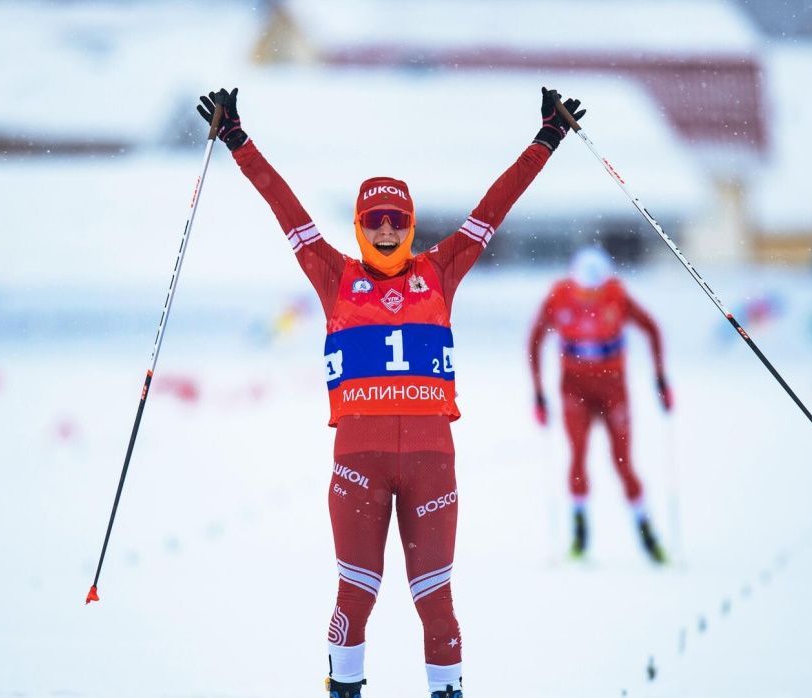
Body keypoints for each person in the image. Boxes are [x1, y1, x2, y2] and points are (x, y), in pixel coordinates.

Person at [198, 86, 586, 698]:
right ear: (358, 225)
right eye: (373, 221)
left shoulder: (441, 269)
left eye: (396, 221)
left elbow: (497, 204)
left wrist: (547, 139)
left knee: (437, 604)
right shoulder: (333, 275)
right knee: (355, 595)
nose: (384, 232)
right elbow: (285, 206)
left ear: (409, 224)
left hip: (433, 464)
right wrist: (238, 141)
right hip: (358, 465)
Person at [527, 246, 671, 563]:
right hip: (574, 389)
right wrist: (538, 393)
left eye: (595, 291)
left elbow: (652, 329)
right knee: (577, 456)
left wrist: (660, 379)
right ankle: (579, 533)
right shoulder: (558, 297)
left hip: (612, 389)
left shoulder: (617, 296)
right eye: (583, 291)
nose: (589, 298)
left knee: (623, 462)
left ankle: (646, 531)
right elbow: (535, 339)